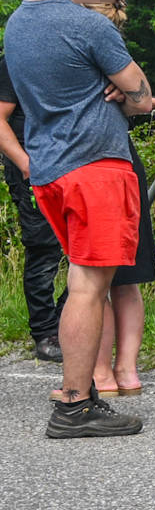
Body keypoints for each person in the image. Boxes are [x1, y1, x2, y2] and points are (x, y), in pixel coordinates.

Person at [5, 0, 155, 437]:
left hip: (49, 169)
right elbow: (139, 96)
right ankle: (74, 405)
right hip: (94, 167)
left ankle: (82, 394)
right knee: (90, 286)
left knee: (83, 281)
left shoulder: (18, 23)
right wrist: (126, 92)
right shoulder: (89, 25)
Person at [79, 0, 155, 396]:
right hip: (125, 165)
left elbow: (128, 97)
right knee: (127, 280)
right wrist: (153, 101)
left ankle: (101, 376)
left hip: (94, 167)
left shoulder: (80, 45)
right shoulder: (113, 51)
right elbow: (134, 96)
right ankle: (127, 372)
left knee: (95, 282)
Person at [0, 53, 66, 362]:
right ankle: (45, 334)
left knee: (92, 248)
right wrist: (26, 165)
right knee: (44, 246)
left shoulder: (72, 52)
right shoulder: (16, 58)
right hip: (31, 163)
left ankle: (66, 323)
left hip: (72, 160)